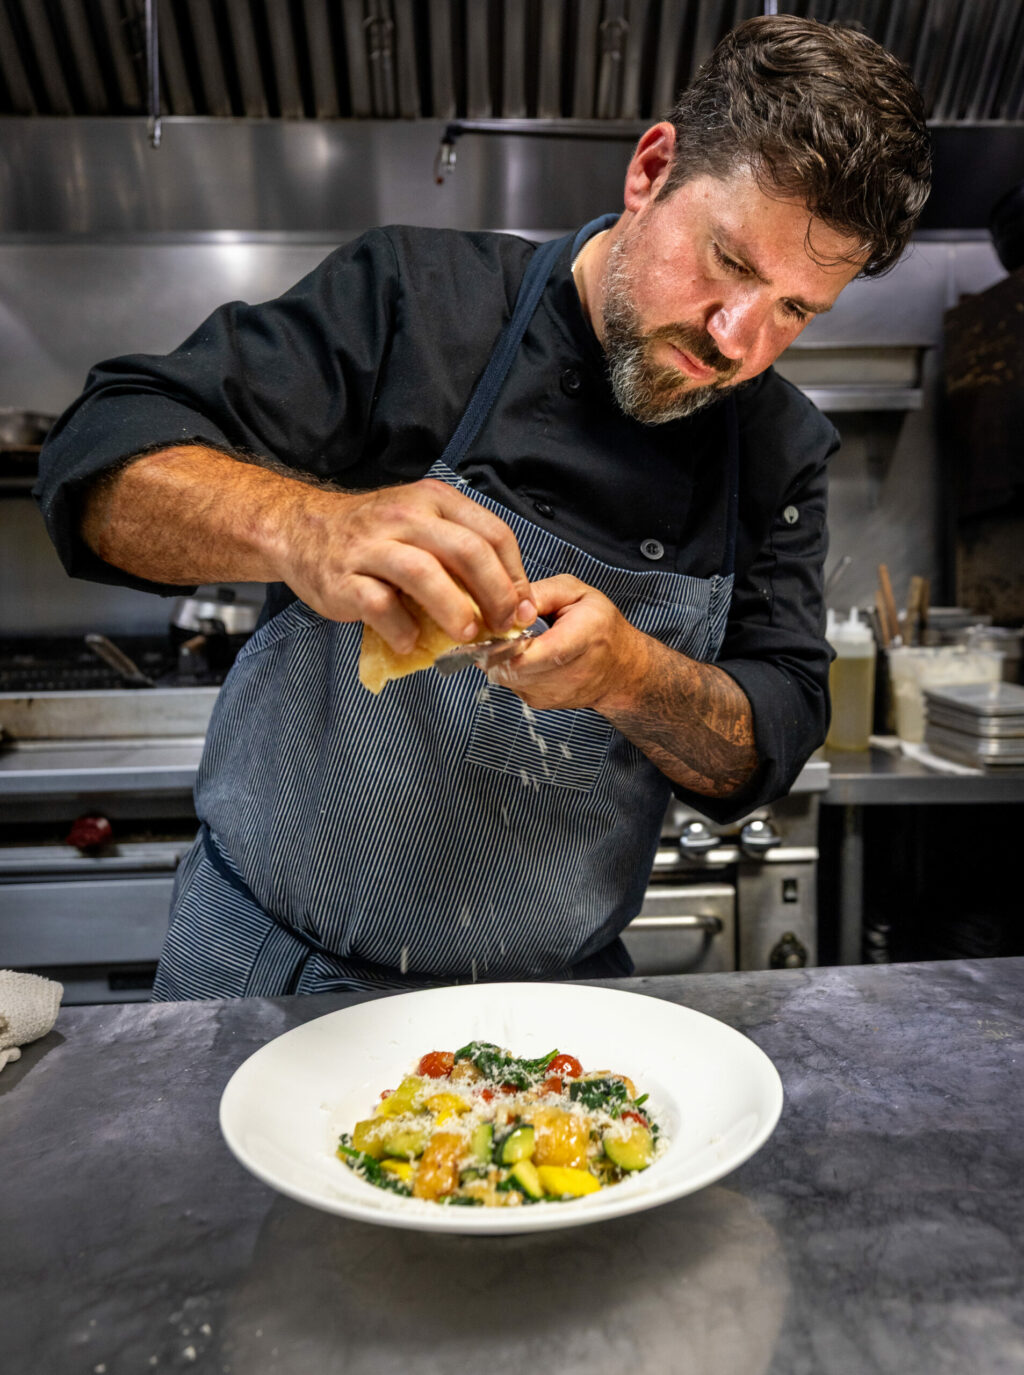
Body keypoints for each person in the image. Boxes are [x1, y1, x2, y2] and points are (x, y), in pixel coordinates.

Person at [35, 15, 931, 1000]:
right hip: (263, 977)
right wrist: (306, 528)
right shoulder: (417, 302)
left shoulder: (779, 448)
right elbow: (98, 456)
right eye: (729, 263)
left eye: (797, 311)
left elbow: (776, 729)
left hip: (546, 1013)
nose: (737, 342)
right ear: (651, 170)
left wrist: (629, 677)